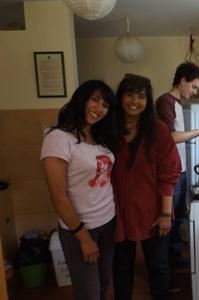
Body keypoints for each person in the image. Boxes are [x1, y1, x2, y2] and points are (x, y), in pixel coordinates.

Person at [41, 80, 118, 300]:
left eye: (105, 104)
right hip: (81, 229)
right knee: (89, 294)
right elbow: (58, 197)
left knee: (103, 285)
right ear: (81, 99)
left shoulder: (100, 137)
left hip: (108, 223)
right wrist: (83, 237)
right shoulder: (58, 138)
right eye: (94, 99)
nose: (99, 108)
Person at [112, 74, 182, 300]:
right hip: (118, 211)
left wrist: (165, 213)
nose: (134, 101)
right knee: (121, 268)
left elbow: (169, 173)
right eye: (129, 94)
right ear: (121, 97)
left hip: (154, 211)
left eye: (141, 96)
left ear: (147, 100)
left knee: (159, 267)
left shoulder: (158, 130)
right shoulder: (108, 129)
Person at [155, 62, 199, 268]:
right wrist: (198, 132)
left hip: (181, 170)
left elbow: (175, 137)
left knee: (180, 217)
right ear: (182, 81)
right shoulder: (165, 102)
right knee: (169, 220)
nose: (195, 91)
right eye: (194, 87)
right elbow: (170, 137)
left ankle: (176, 259)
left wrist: (191, 138)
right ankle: (166, 267)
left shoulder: (178, 104)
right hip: (171, 173)